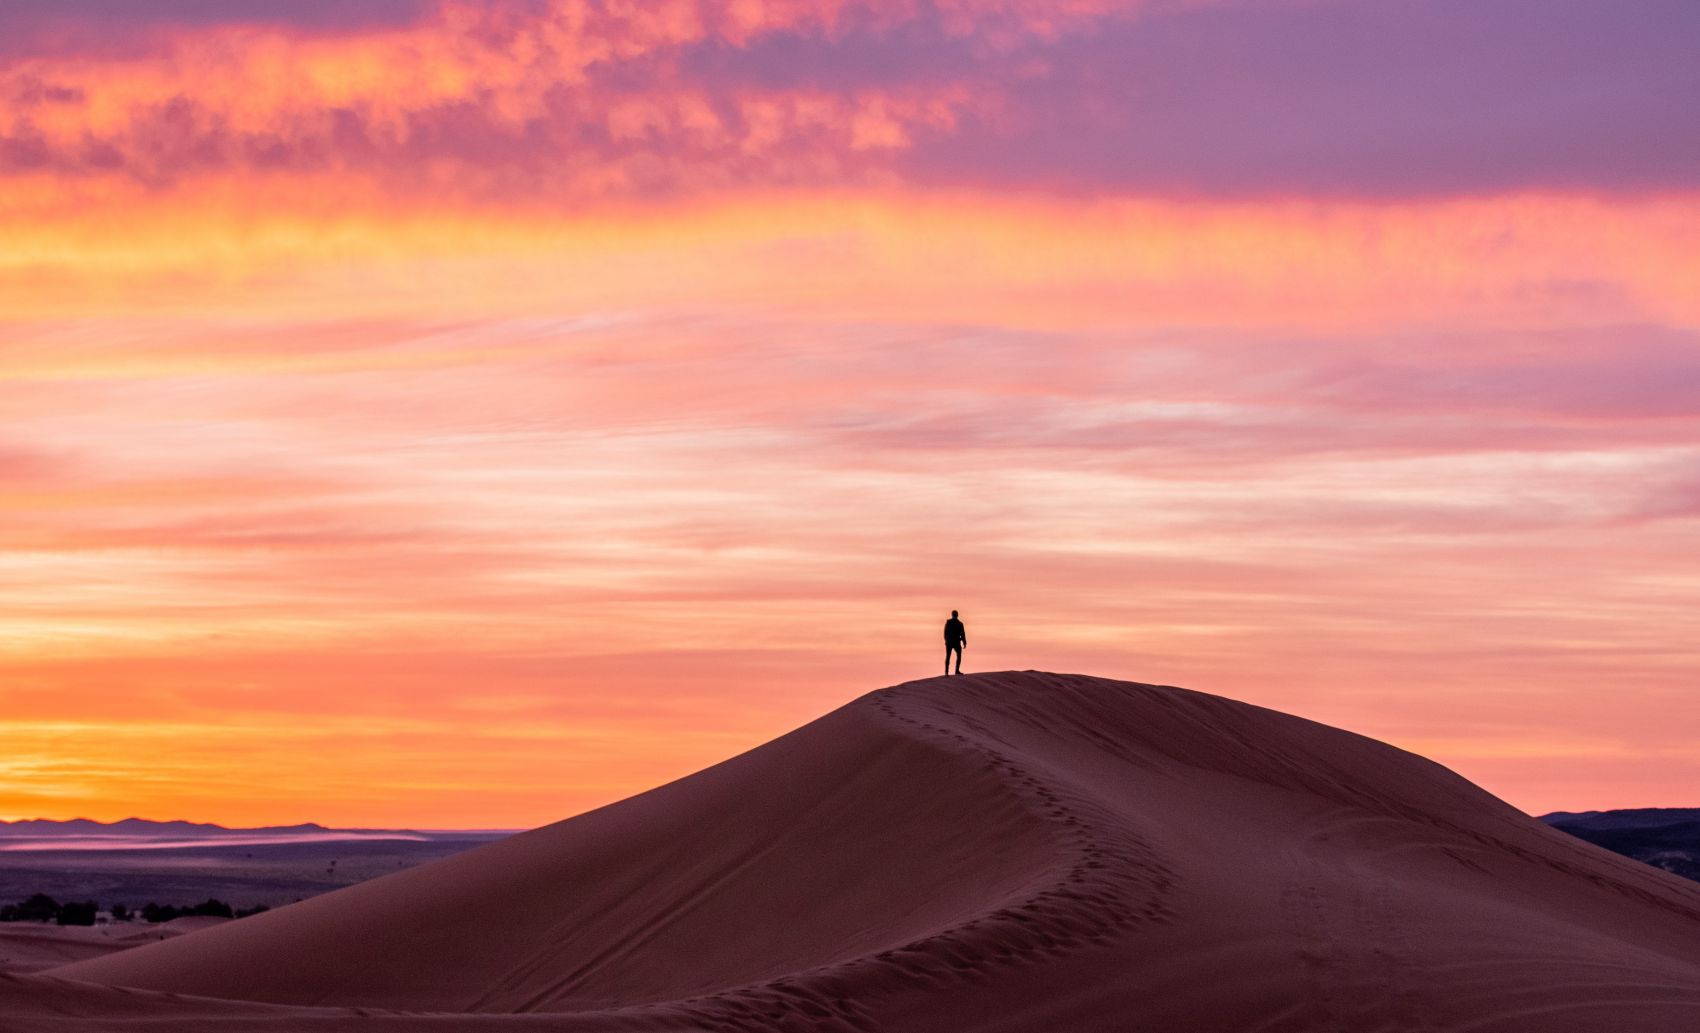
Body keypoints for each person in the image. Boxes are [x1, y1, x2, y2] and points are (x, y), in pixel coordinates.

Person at [943, 610, 966, 676]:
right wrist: (964, 642)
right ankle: (956, 671)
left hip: (950, 642)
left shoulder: (949, 622)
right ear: (957, 615)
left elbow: (945, 632)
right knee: (958, 656)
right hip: (955, 642)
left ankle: (947, 672)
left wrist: (946, 640)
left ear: (952, 615)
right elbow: (963, 634)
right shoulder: (960, 623)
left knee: (948, 656)